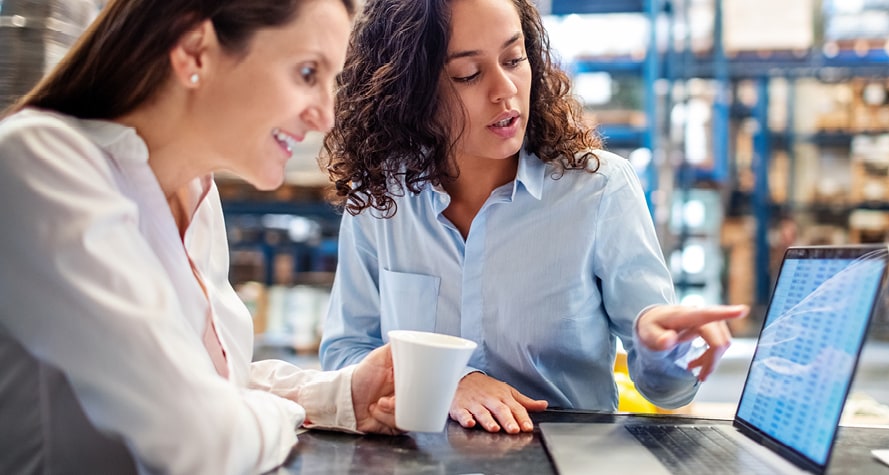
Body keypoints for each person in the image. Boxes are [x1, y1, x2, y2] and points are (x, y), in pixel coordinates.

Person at [0, 1, 401, 473]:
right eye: (307, 72)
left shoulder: (197, 194)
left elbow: (196, 382)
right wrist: (287, 412)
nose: (325, 118)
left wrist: (342, 394)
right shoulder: (39, 163)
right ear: (194, 52)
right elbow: (200, 438)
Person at [319, 0, 749, 435]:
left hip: (565, 456)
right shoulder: (379, 198)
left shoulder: (599, 189)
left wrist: (663, 351)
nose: (504, 89)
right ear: (409, 91)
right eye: (468, 74)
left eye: (514, 58)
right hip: (418, 459)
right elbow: (344, 353)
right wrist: (448, 381)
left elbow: (667, 393)